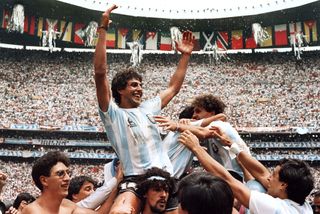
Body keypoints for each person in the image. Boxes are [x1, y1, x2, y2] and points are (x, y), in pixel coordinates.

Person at [94, 4, 194, 213]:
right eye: (134, 85)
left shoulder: (149, 108)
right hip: (135, 180)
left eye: (140, 85)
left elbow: (173, 88)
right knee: (120, 212)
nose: (139, 89)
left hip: (166, 178)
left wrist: (185, 56)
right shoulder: (113, 114)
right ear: (120, 90)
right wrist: (102, 30)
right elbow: (100, 73)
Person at [178, 129, 314, 214]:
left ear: (284, 185)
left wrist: (196, 148)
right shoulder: (302, 204)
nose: (268, 178)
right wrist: (232, 146)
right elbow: (260, 172)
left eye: (273, 176)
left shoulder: (275, 208)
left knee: (255, 186)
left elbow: (227, 179)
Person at [21, 151, 119, 214]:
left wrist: (117, 184)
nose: (67, 178)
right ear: (44, 180)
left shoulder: (66, 205)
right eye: (60, 174)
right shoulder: (32, 211)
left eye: (68, 173)